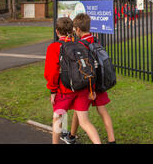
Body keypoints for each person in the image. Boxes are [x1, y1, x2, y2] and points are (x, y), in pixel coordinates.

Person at [44, 17, 101, 144]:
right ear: (72, 30)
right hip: (82, 87)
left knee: (58, 118)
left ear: (57, 31)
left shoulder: (54, 47)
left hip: (64, 90)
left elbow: (52, 72)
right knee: (85, 122)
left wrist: (53, 91)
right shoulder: (80, 44)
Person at [62, 13, 116, 144]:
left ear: (78, 30)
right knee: (103, 112)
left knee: (81, 112)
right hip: (100, 82)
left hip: (88, 85)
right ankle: (111, 140)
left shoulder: (80, 45)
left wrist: (91, 90)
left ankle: (72, 137)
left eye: (75, 29)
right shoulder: (95, 40)